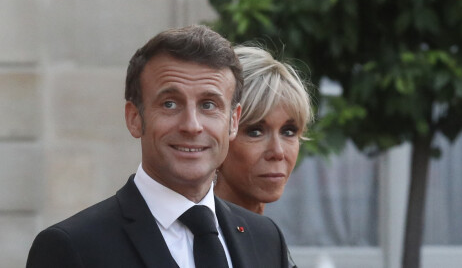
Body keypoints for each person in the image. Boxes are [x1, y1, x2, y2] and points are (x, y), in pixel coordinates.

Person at [26, 25, 291, 268]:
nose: (192, 125)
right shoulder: (72, 248)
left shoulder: (267, 240)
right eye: (170, 104)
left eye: (208, 105)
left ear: (233, 121)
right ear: (134, 118)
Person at [214, 46, 313, 268]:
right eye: (255, 131)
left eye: (289, 131)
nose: (278, 152)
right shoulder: (192, 241)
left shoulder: (267, 239)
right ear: (218, 136)